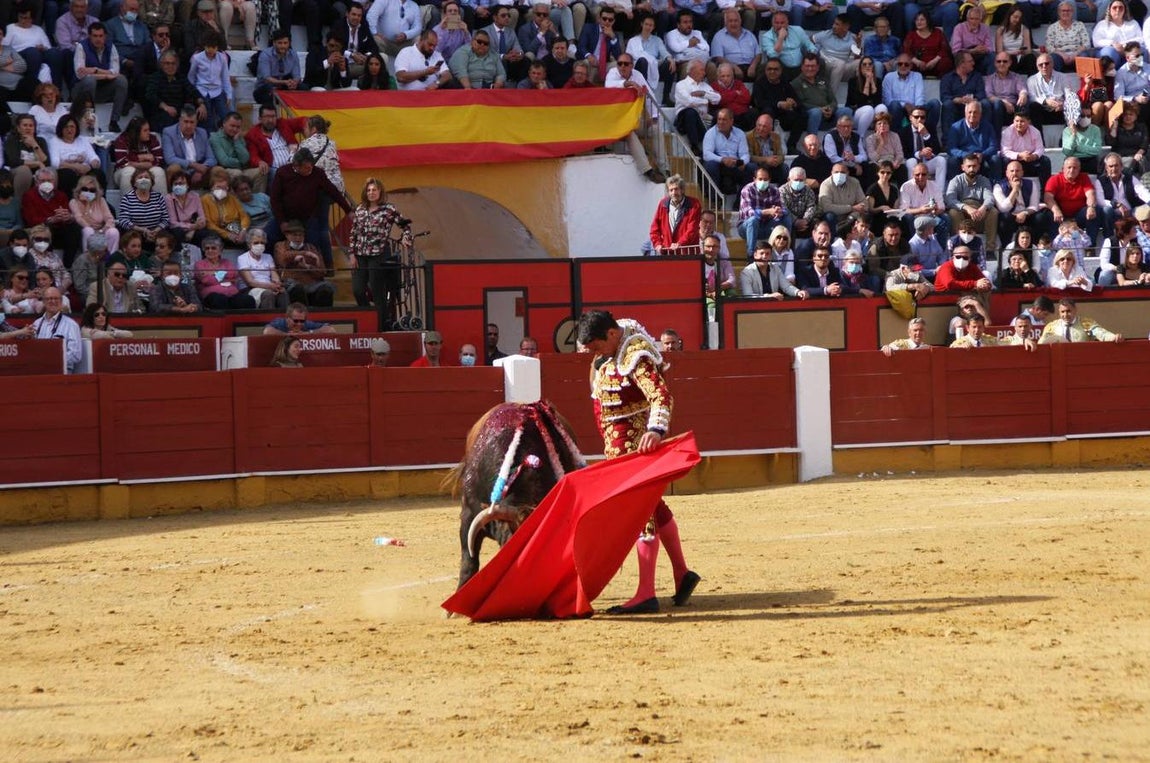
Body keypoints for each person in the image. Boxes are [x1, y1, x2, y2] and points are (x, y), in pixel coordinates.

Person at [575, 310, 699, 615]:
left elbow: (661, 396)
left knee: (639, 514)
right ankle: (682, 574)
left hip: (634, 449)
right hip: (620, 448)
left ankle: (646, 593)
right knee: (654, 509)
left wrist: (655, 430)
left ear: (612, 334)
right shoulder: (615, 349)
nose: (593, 353)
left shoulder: (635, 355)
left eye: (596, 346)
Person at [267, 147, 352, 269]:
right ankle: (272, 268)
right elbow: (275, 199)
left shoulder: (318, 173)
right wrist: (282, 221)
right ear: (296, 166)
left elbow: (333, 191)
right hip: (285, 216)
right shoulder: (282, 172)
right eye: (306, 168)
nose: (310, 169)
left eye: (311, 166)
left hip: (307, 217)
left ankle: (322, 270)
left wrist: (348, 210)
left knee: (315, 241)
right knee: (268, 236)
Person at [349, 177, 411, 331]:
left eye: (374, 190)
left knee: (378, 291)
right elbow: (353, 233)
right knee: (357, 289)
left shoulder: (388, 209)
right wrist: (351, 253)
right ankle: (367, 316)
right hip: (360, 254)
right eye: (369, 190)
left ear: (380, 192)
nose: (371, 193)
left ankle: (381, 323)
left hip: (378, 254)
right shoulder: (360, 209)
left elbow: (405, 225)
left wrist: (405, 237)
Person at [71, 22, 128, 133]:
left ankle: (114, 121)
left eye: (101, 36)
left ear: (105, 36)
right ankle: (91, 120)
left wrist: (95, 70)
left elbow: (116, 72)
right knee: (90, 80)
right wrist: (106, 75)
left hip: (101, 90)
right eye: (95, 36)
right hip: (81, 90)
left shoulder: (111, 46)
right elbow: (80, 74)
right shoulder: (81, 46)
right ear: (89, 36)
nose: (98, 39)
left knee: (122, 80)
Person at [994, 159, 1051, 248]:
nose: (1014, 173)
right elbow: (1003, 208)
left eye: (1017, 171)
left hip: (1026, 214)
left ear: (1022, 172)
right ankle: (1005, 246)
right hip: (1010, 216)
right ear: (1006, 173)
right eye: (1012, 171)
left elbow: (1034, 205)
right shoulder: (999, 186)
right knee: (1005, 217)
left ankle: (1034, 245)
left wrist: (1024, 213)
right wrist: (1014, 190)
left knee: (1040, 217)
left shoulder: (1031, 184)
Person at [792, 52, 852, 136]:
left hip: (828, 116)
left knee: (846, 111)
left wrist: (831, 108)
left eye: (813, 66)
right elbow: (800, 104)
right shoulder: (796, 83)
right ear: (802, 67)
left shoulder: (823, 81)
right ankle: (812, 140)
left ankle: (844, 141)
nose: (810, 69)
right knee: (816, 112)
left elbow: (833, 101)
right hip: (810, 118)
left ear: (817, 67)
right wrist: (820, 109)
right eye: (807, 66)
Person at [1044, 156, 1101, 244]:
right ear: (1063, 169)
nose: (1072, 170)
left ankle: (1090, 246)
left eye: (1075, 168)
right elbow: (1048, 197)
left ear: (1079, 169)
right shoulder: (1054, 179)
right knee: (1049, 214)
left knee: (1094, 211)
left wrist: (1091, 207)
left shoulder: (1084, 178)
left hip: (1079, 215)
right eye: (1069, 167)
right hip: (1060, 215)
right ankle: (1055, 246)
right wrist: (1056, 210)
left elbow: (1090, 194)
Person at [194, 235, 255, 310]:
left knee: (248, 300)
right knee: (219, 299)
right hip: (211, 296)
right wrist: (225, 276)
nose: (210, 250)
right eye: (207, 248)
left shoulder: (227, 262)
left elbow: (233, 275)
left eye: (213, 248)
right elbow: (206, 280)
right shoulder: (200, 264)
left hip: (232, 294)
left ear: (220, 250)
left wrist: (213, 273)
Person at [161, 106, 215, 189]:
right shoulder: (168, 132)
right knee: (173, 168)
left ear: (196, 123)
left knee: (218, 171)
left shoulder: (202, 132)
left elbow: (211, 158)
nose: (189, 126)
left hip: (199, 171)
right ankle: (173, 198)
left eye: (192, 122)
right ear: (180, 121)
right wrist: (193, 165)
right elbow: (170, 158)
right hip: (181, 170)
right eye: (186, 122)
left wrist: (200, 170)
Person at [737, 166, 788, 254]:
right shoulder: (747, 190)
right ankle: (751, 255)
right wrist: (768, 211)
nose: (763, 182)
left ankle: (785, 251)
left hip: (766, 226)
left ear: (769, 180)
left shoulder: (774, 190)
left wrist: (779, 211)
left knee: (786, 217)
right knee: (753, 220)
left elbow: (783, 209)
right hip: (746, 228)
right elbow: (749, 212)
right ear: (754, 179)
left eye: (765, 179)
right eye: (760, 179)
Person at [30, 286, 82, 371]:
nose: (53, 301)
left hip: (62, 371)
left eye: (56, 298)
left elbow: (76, 355)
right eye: (49, 298)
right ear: (43, 301)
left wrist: (52, 360)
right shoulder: (37, 323)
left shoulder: (71, 325)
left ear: (61, 301)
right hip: (39, 370)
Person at [649, 174, 702, 254]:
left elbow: (692, 229)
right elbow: (654, 228)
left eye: (676, 189)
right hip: (667, 252)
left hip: (687, 252)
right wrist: (657, 244)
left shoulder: (694, 204)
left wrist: (680, 243)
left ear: (682, 190)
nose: (673, 193)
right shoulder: (663, 204)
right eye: (671, 190)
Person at [739, 238, 809, 298]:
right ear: (755, 255)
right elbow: (748, 296)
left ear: (771, 256)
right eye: (762, 253)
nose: (764, 256)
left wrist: (797, 292)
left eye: (767, 254)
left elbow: (786, 287)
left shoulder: (775, 268)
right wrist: (768, 296)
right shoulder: (746, 272)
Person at [1000, 113, 1050, 188]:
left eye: (1022, 121)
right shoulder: (1007, 132)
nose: (1019, 124)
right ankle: (1006, 188)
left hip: (1030, 160)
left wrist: (1034, 156)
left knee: (1045, 161)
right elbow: (1005, 151)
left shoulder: (1035, 132)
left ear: (1028, 122)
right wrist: (1019, 155)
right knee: (1005, 161)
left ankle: (1045, 191)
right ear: (1013, 121)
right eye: (1016, 121)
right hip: (1015, 161)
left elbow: (1040, 148)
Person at [1039, 298, 1123, 342]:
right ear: (1059, 312)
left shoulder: (1086, 323)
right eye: (1062, 312)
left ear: (1075, 310)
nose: (1065, 315)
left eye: (1068, 311)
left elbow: (1101, 333)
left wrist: (1113, 337)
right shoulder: (1051, 326)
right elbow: (1042, 343)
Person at [818, 162, 868, 233]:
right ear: (831, 173)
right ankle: (832, 239)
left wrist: (852, 216)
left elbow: (864, 203)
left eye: (842, 172)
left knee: (866, 214)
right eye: (836, 172)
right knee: (829, 216)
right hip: (835, 216)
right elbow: (827, 208)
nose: (839, 174)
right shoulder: (826, 185)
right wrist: (851, 208)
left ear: (847, 173)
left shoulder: (854, 182)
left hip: (851, 216)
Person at [1027, 53, 1074, 128]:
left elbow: (1069, 95)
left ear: (1052, 64)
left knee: (1072, 106)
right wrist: (1046, 101)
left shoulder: (1063, 77)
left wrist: (1063, 104)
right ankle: (1039, 138)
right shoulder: (1031, 80)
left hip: (1060, 109)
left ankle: (1066, 138)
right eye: (1041, 65)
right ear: (1037, 67)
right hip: (1043, 109)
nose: (1044, 66)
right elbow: (1032, 97)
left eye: (1046, 63)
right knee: (1033, 106)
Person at [847, 57, 887, 139]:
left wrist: (872, 82)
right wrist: (867, 83)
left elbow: (877, 102)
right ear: (860, 67)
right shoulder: (853, 81)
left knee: (882, 107)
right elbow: (858, 102)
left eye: (870, 64)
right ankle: (859, 138)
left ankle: (879, 136)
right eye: (864, 64)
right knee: (868, 109)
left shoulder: (878, 81)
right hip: (857, 115)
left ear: (873, 67)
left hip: (872, 115)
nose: (867, 66)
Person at [1044, 2, 1091, 72]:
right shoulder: (1052, 27)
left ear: (1072, 12)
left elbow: (1086, 44)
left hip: (1077, 54)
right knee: (1053, 58)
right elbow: (1049, 47)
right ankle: (1056, 81)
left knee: (1084, 56)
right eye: (1063, 10)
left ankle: (1086, 82)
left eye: (1068, 10)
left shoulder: (1080, 25)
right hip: (1059, 56)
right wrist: (1062, 55)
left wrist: (1074, 54)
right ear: (1058, 12)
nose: (1066, 13)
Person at [903, 11, 954, 77]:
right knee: (906, 63)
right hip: (918, 64)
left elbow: (944, 49)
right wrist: (917, 62)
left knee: (946, 62)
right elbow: (907, 51)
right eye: (917, 20)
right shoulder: (911, 35)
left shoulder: (938, 33)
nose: (919, 22)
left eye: (922, 20)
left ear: (928, 21)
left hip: (935, 62)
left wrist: (934, 61)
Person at [263, 302, 336, 334]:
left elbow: (331, 330)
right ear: (288, 318)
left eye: (302, 321)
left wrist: (308, 333)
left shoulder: (307, 324)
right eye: (295, 321)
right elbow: (267, 331)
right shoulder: (280, 323)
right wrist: (287, 335)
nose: (299, 324)